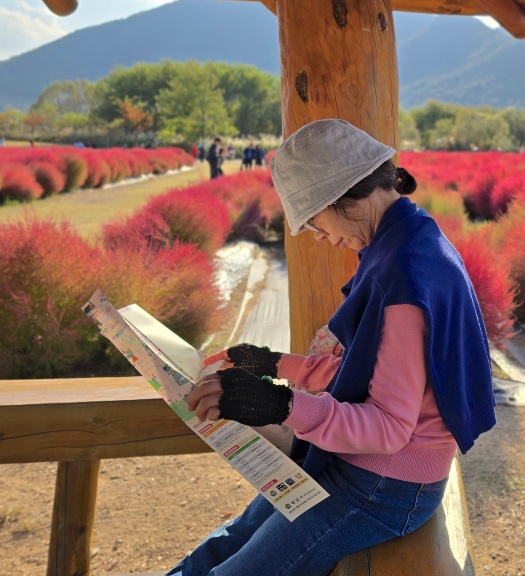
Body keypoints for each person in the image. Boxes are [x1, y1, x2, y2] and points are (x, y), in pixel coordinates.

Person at [172, 119, 495, 576]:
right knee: (220, 546)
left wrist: (278, 403)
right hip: (359, 464)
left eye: (313, 222)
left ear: (341, 196)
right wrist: (273, 364)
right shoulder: (404, 235)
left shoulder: (403, 273)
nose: (318, 237)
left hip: (386, 485)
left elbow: (387, 429)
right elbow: (362, 375)